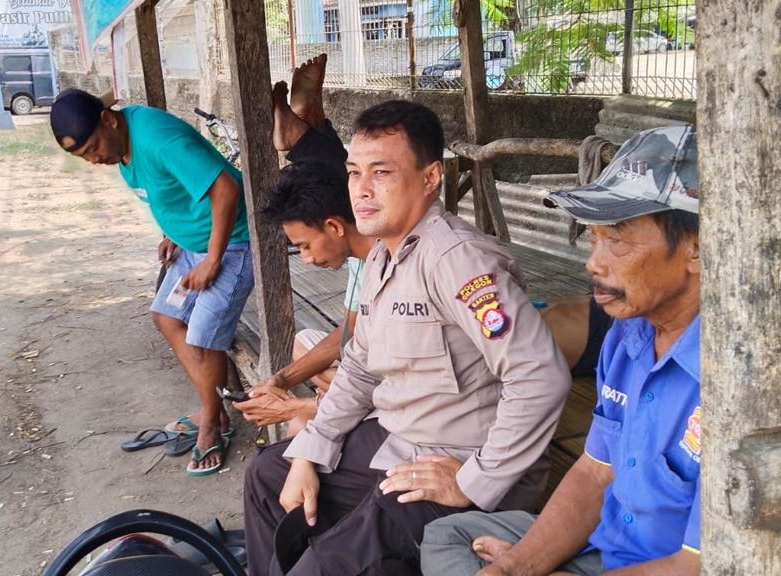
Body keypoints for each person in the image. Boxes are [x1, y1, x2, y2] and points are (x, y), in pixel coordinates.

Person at [420, 125, 781, 576]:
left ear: (698, 248)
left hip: (692, 568)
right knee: (447, 535)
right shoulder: (631, 335)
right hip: (611, 547)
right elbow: (595, 472)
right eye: (593, 237)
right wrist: (518, 566)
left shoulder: (772, 389)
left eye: (617, 239)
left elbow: (714, 566)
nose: (594, 262)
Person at [243, 100, 572, 576]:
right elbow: (358, 369)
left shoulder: (458, 260)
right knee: (268, 475)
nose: (361, 189)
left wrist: (475, 480)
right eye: (354, 173)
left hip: (458, 457)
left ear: (430, 177)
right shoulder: (382, 257)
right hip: (400, 438)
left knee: (328, 562)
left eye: (381, 173)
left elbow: (540, 376)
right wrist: (311, 448)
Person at [49, 89, 252, 477]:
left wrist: (213, 259)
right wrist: (172, 232)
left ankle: (212, 423)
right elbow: (170, 188)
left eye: (92, 149)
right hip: (193, 244)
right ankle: (214, 409)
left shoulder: (156, 138)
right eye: (83, 157)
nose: (93, 160)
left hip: (234, 242)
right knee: (166, 316)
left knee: (203, 336)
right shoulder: (121, 143)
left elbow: (226, 187)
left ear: (109, 120)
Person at [234, 54, 373, 435]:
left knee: (301, 424)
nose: (306, 260)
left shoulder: (391, 259)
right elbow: (350, 329)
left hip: (405, 391)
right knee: (304, 344)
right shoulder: (361, 253)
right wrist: (280, 379)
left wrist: (301, 405)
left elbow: (403, 383)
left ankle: (305, 128)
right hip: (372, 367)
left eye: (306, 246)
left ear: (334, 226)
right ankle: (307, 126)